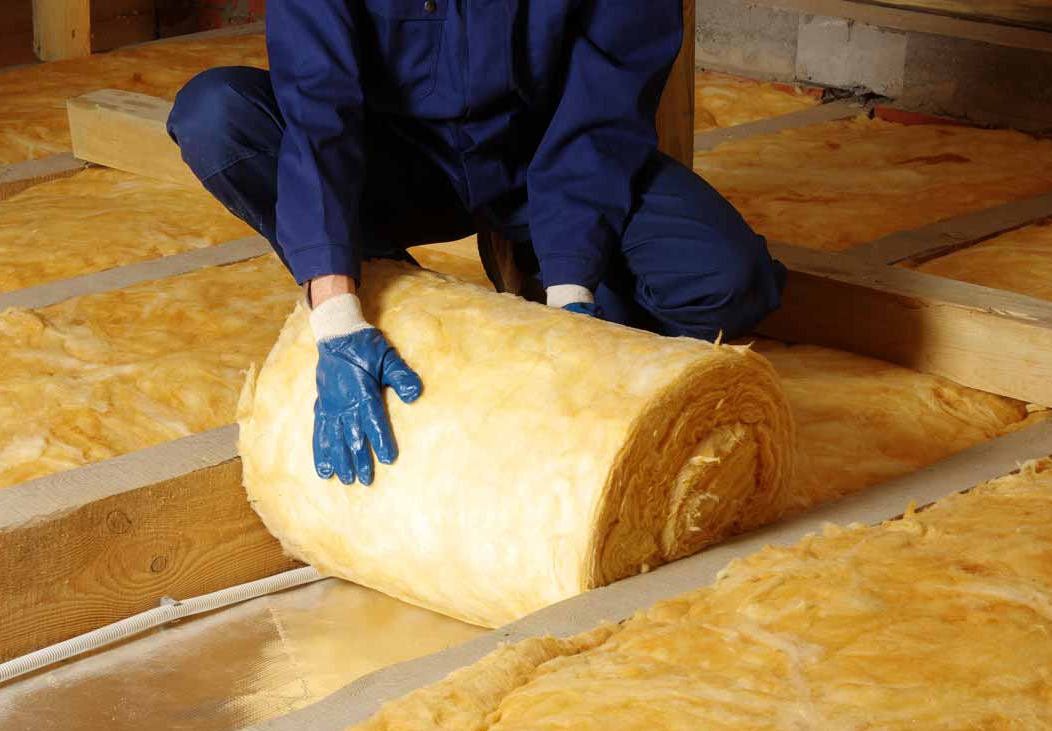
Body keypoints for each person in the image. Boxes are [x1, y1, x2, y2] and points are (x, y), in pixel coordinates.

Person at [167, 2, 786, 487]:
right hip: (393, 162)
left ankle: (529, 257)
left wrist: (573, 294)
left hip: (538, 164)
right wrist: (335, 314)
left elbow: (599, 121)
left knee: (728, 279)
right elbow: (319, 110)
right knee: (215, 114)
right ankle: (400, 297)